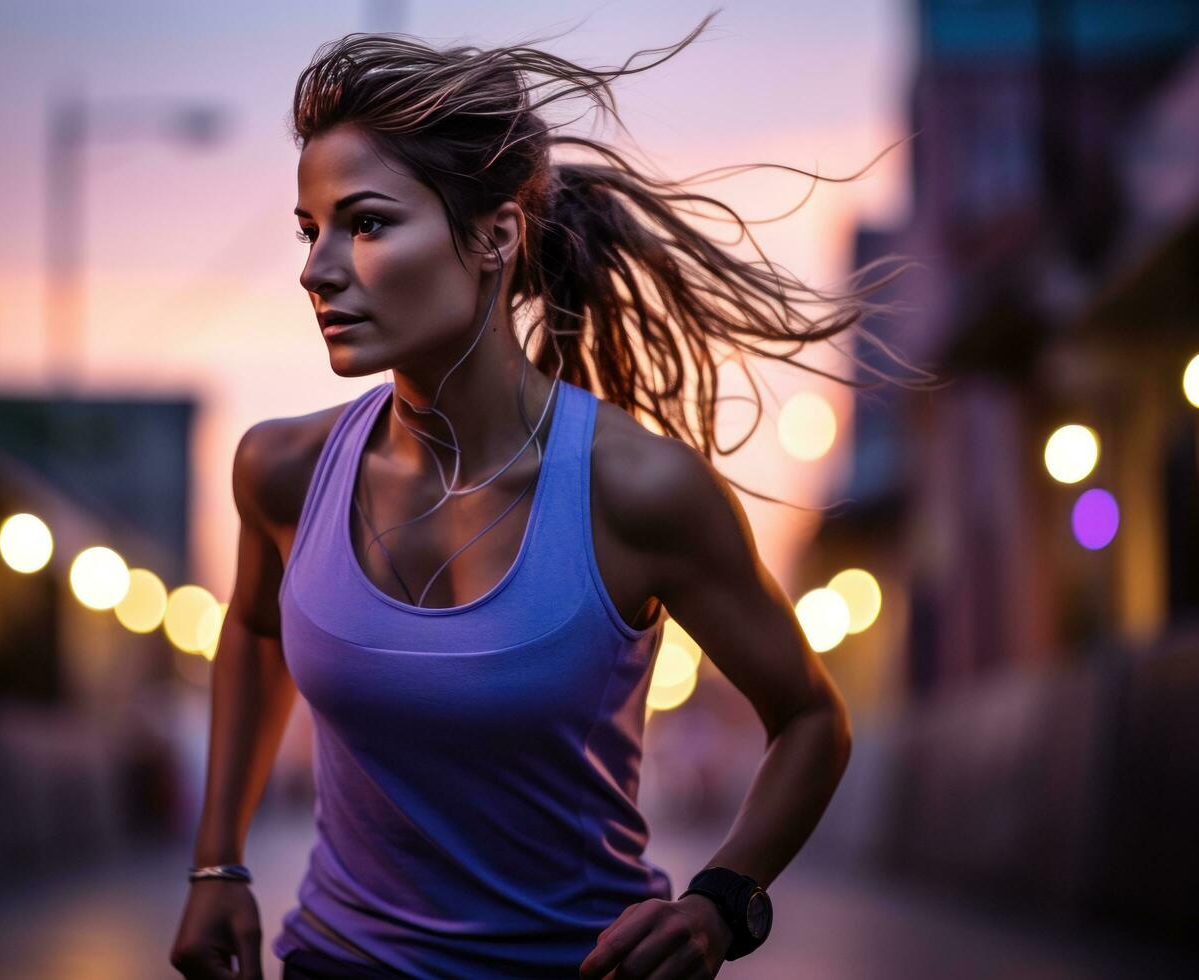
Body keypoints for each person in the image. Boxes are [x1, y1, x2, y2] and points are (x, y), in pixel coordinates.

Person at [171, 11, 929, 979]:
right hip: (333, 960)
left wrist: (722, 902)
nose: (316, 269)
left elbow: (812, 717)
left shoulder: (636, 488)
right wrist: (216, 860)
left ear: (495, 236)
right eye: (310, 229)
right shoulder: (281, 469)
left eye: (365, 224)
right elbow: (255, 627)